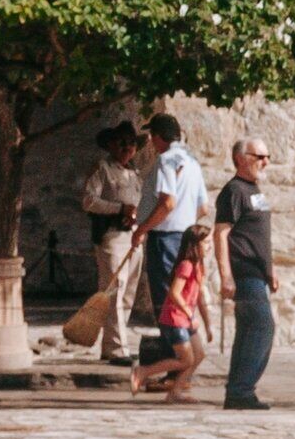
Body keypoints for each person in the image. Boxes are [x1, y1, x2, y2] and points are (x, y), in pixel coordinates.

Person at [127, 113, 208, 382]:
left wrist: (142, 229)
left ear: (158, 137)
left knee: (167, 302)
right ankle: (180, 367)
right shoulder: (193, 162)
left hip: (165, 238)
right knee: (185, 296)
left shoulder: (165, 160)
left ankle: (174, 366)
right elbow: (203, 207)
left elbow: (167, 202)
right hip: (187, 237)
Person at [215, 138, 278, 409]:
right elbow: (221, 232)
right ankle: (241, 390)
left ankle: (237, 391)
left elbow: (259, 235)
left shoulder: (254, 191)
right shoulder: (234, 190)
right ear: (241, 159)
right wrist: (225, 275)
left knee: (249, 330)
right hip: (243, 271)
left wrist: (270, 268)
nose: (265, 161)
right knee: (262, 327)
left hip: (257, 272)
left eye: (268, 156)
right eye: (260, 156)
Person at [77, 124, 148, 364]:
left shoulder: (134, 173)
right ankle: (117, 349)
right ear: (110, 145)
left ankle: (116, 344)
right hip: (112, 235)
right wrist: (119, 209)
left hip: (134, 235)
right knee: (115, 289)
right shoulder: (103, 169)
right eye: (121, 142)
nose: (127, 147)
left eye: (131, 143)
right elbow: (89, 201)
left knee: (128, 292)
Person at [133, 220, 209, 403]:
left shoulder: (199, 266)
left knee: (198, 355)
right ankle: (143, 371)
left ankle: (175, 392)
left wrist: (208, 324)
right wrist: (189, 314)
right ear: (194, 244)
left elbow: (199, 297)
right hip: (175, 319)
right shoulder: (186, 265)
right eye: (206, 243)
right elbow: (174, 292)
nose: (209, 247)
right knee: (186, 359)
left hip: (186, 320)